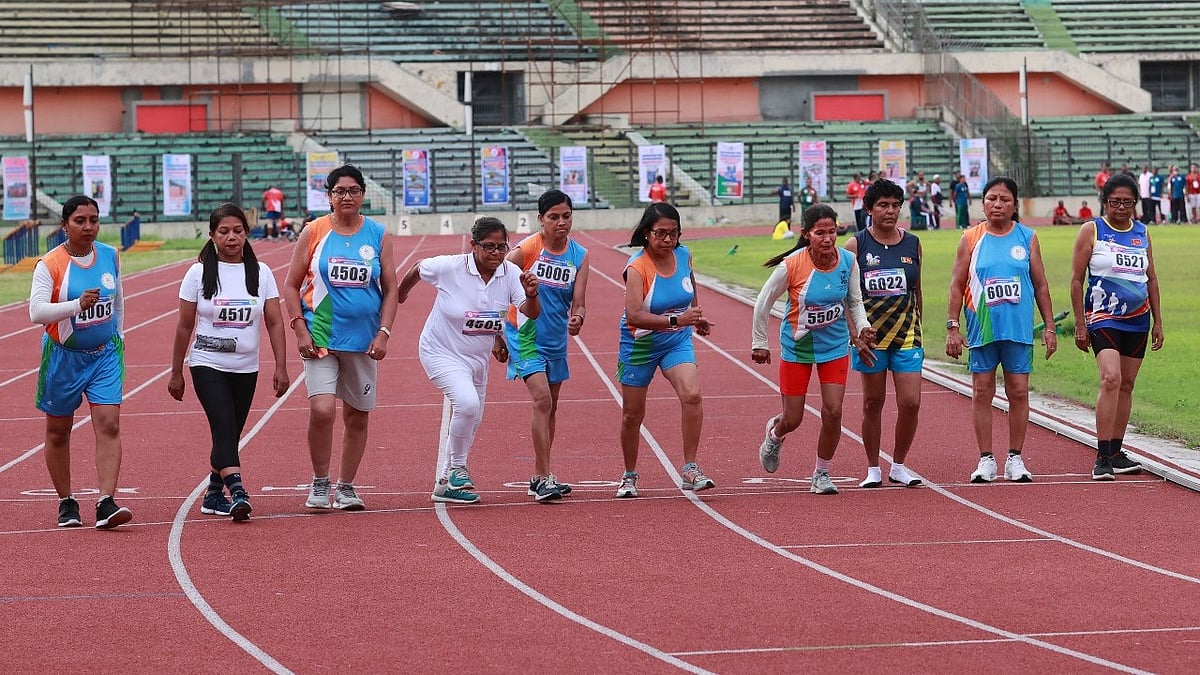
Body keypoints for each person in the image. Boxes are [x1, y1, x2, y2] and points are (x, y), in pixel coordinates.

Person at [398, 217, 541, 504]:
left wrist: (532, 294)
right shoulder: (450, 267)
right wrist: (398, 296)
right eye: (489, 247)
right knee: (466, 404)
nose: (496, 254)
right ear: (473, 245)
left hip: (476, 358)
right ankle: (458, 470)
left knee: (472, 417)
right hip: (440, 351)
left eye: (502, 247)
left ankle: (445, 482)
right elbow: (416, 269)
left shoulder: (510, 273)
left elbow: (529, 312)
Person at [282, 165, 397, 511]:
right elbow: (290, 285)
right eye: (339, 191)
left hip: (363, 341)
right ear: (329, 196)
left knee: (357, 414)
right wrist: (299, 327)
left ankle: (346, 487)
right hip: (319, 337)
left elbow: (390, 289)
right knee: (321, 410)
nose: (347, 197)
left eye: (353, 190)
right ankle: (320, 481)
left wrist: (384, 332)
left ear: (363, 195)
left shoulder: (378, 234)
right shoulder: (314, 231)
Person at [168, 204, 290, 522]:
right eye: (224, 232)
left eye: (237, 230)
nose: (231, 237)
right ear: (212, 236)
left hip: (245, 367)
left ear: (246, 234)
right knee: (223, 427)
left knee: (231, 433)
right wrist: (176, 371)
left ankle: (212, 494)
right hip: (207, 364)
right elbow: (184, 325)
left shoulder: (261, 273)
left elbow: (275, 322)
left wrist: (281, 365)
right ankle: (237, 492)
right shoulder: (197, 273)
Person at [752, 204, 875, 495]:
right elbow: (763, 302)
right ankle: (775, 434)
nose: (827, 238)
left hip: (834, 347)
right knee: (793, 418)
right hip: (798, 347)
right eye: (820, 233)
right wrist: (760, 342)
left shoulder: (848, 261)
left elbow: (854, 302)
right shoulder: (792, 265)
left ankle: (821, 473)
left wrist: (863, 326)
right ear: (806, 235)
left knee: (833, 411)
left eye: (832, 231)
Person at [29, 196, 132, 529]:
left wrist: (120, 338)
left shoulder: (110, 255)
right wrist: (75, 306)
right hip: (63, 357)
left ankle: (106, 501)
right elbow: (36, 312)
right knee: (59, 431)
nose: (88, 227)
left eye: (94, 220)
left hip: (104, 355)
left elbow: (117, 302)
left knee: (109, 424)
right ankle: (66, 501)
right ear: (65, 225)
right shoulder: (50, 264)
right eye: (80, 221)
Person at [946, 177, 1058, 484]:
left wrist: (1049, 326)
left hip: (1018, 329)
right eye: (992, 198)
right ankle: (985, 459)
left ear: (1014, 204)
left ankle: (1015, 458)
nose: (998, 204)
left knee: (1019, 392)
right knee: (982, 390)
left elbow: (1040, 284)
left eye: (1005, 199)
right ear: (982, 203)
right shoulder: (971, 238)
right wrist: (952, 327)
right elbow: (957, 284)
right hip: (983, 328)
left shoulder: (1027, 237)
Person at [494, 190, 590, 502]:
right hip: (525, 335)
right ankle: (545, 476)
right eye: (553, 217)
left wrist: (577, 318)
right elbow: (497, 284)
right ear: (541, 219)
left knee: (551, 407)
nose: (561, 222)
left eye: (566, 216)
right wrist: (497, 332)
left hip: (555, 339)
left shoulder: (579, 255)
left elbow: (580, 303)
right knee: (542, 400)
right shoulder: (526, 250)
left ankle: (539, 475)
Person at [615, 203, 715, 498]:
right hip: (640, 344)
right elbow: (633, 315)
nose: (668, 240)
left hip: (676, 340)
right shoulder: (637, 267)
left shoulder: (684, 255)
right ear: (646, 233)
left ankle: (690, 467)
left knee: (692, 395)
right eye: (661, 233)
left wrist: (696, 315)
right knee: (632, 415)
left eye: (674, 233)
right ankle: (629, 474)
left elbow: (690, 283)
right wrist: (676, 319)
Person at [1069, 174, 1163, 480]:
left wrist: (1158, 322)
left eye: (1127, 202)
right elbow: (1076, 279)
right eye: (1114, 201)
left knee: (1126, 384)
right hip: (1103, 317)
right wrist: (1080, 325)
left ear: (1135, 203)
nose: (1121, 207)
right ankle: (1101, 456)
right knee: (1111, 378)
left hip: (1138, 319)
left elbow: (1151, 279)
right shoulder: (1092, 230)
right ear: (1105, 201)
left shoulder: (1142, 233)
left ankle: (1116, 451)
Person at [842, 180, 923, 489]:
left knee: (911, 402)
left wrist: (920, 325)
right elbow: (847, 297)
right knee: (873, 402)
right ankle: (873, 467)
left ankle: (899, 465)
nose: (890, 211)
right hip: (871, 338)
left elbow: (917, 290)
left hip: (907, 337)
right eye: (883, 205)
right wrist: (856, 335)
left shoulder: (913, 243)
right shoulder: (856, 246)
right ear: (869, 209)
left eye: (895, 205)